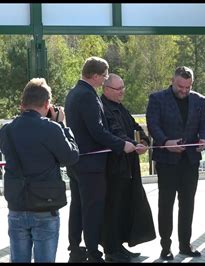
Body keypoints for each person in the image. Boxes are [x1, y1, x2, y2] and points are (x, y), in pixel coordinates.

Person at [65, 57, 139, 263]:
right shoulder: (88, 96)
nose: (105, 79)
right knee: (92, 210)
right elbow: (97, 131)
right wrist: (121, 145)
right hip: (91, 166)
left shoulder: (73, 93)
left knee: (78, 208)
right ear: (96, 76)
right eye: (105, 75)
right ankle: (93, 253)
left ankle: (75, 249)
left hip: (77, 163)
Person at [0, 78, 79, 262]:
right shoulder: (51, 129)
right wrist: (62, 126)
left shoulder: (6, 130)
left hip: (17, 205)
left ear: (22, 104)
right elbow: (71, 157)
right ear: (47, 104)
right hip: (45, 206)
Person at [146, 66, 205, 260]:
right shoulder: (157, 99)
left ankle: (185, 244)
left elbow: (204, 125)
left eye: (188, 87)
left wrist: (203, 139)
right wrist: (165, 143)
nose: (184, 90)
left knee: (188, 204)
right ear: (172, 81)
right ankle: (165, 246)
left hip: (190, 161)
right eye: (181, 86)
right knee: (165, 205)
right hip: (166, 162)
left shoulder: (199, 100)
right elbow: (152, 125)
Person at [99, 73, 155, 262]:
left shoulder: (120, 107)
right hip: (114, 168)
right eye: (118, 89)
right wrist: (132, 143)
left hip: (129, 166)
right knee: (113, 209)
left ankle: (120, 245)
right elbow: (115, 132)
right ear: (106, 89)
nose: (123, 91)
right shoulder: (104, 108)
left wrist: (144, 141)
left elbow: (135, 127)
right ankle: (111, 248)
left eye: (123, 87)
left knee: (125, 207)